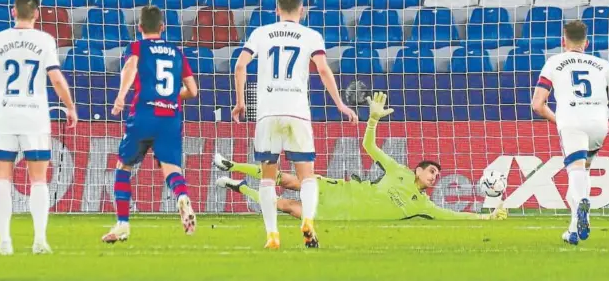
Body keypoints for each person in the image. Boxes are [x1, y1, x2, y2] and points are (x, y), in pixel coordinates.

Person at [218, 92, 508, 222]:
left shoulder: (424, 205)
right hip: (341, 190)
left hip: (339, 216)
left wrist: (487, 219)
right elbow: (369, 147)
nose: (434, 176)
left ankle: (239, 186)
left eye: (436, 175)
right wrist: (373, 120)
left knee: (286, 205)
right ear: (417, 170)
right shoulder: (398, 170)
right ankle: (234, 166)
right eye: (431, 170)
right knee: (287, 180)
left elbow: (453, 216)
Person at [231, 0, 358, 250]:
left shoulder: (260, 33)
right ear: (302, 11)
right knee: (307, 176)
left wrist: (241, 101)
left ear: (276, 10)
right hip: (297, 111)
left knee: (267, 177)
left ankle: (272, 236)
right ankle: (308, 220)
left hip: (267, 112)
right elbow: (322, 69)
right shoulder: (311, 36)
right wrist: (340, 104)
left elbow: (240, 66)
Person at [0, 0, 78, 255]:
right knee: (38, 179)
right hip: (34, 116)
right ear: (36, 14)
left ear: (13, 12)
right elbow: (55, 78)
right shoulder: (45, 40)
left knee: (2, 177)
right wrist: (70, 106)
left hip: (6, 115)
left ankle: (4, 242)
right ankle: (40, 241)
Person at [102, 6, 199, 243]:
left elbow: (130, 67)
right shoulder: (176, 52)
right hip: (170, 117)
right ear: (162, 27)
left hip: (144, 113)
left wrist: (121, 96)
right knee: (171, 169)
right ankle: (182, 196)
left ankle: (123, 224)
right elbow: (193, 91)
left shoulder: (137, 47)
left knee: (123, 166)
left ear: (139, 27)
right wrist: (171, 97)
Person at [532, 20, 609, 245]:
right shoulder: (601, 63)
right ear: (586, 43)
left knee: (574, 171)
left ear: (562, 41)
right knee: (582, 170)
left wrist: (560, 120)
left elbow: (537, 105)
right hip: (599, 123)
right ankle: (573, 230)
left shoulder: (554, 62)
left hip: (572, 120)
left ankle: (583, 204)